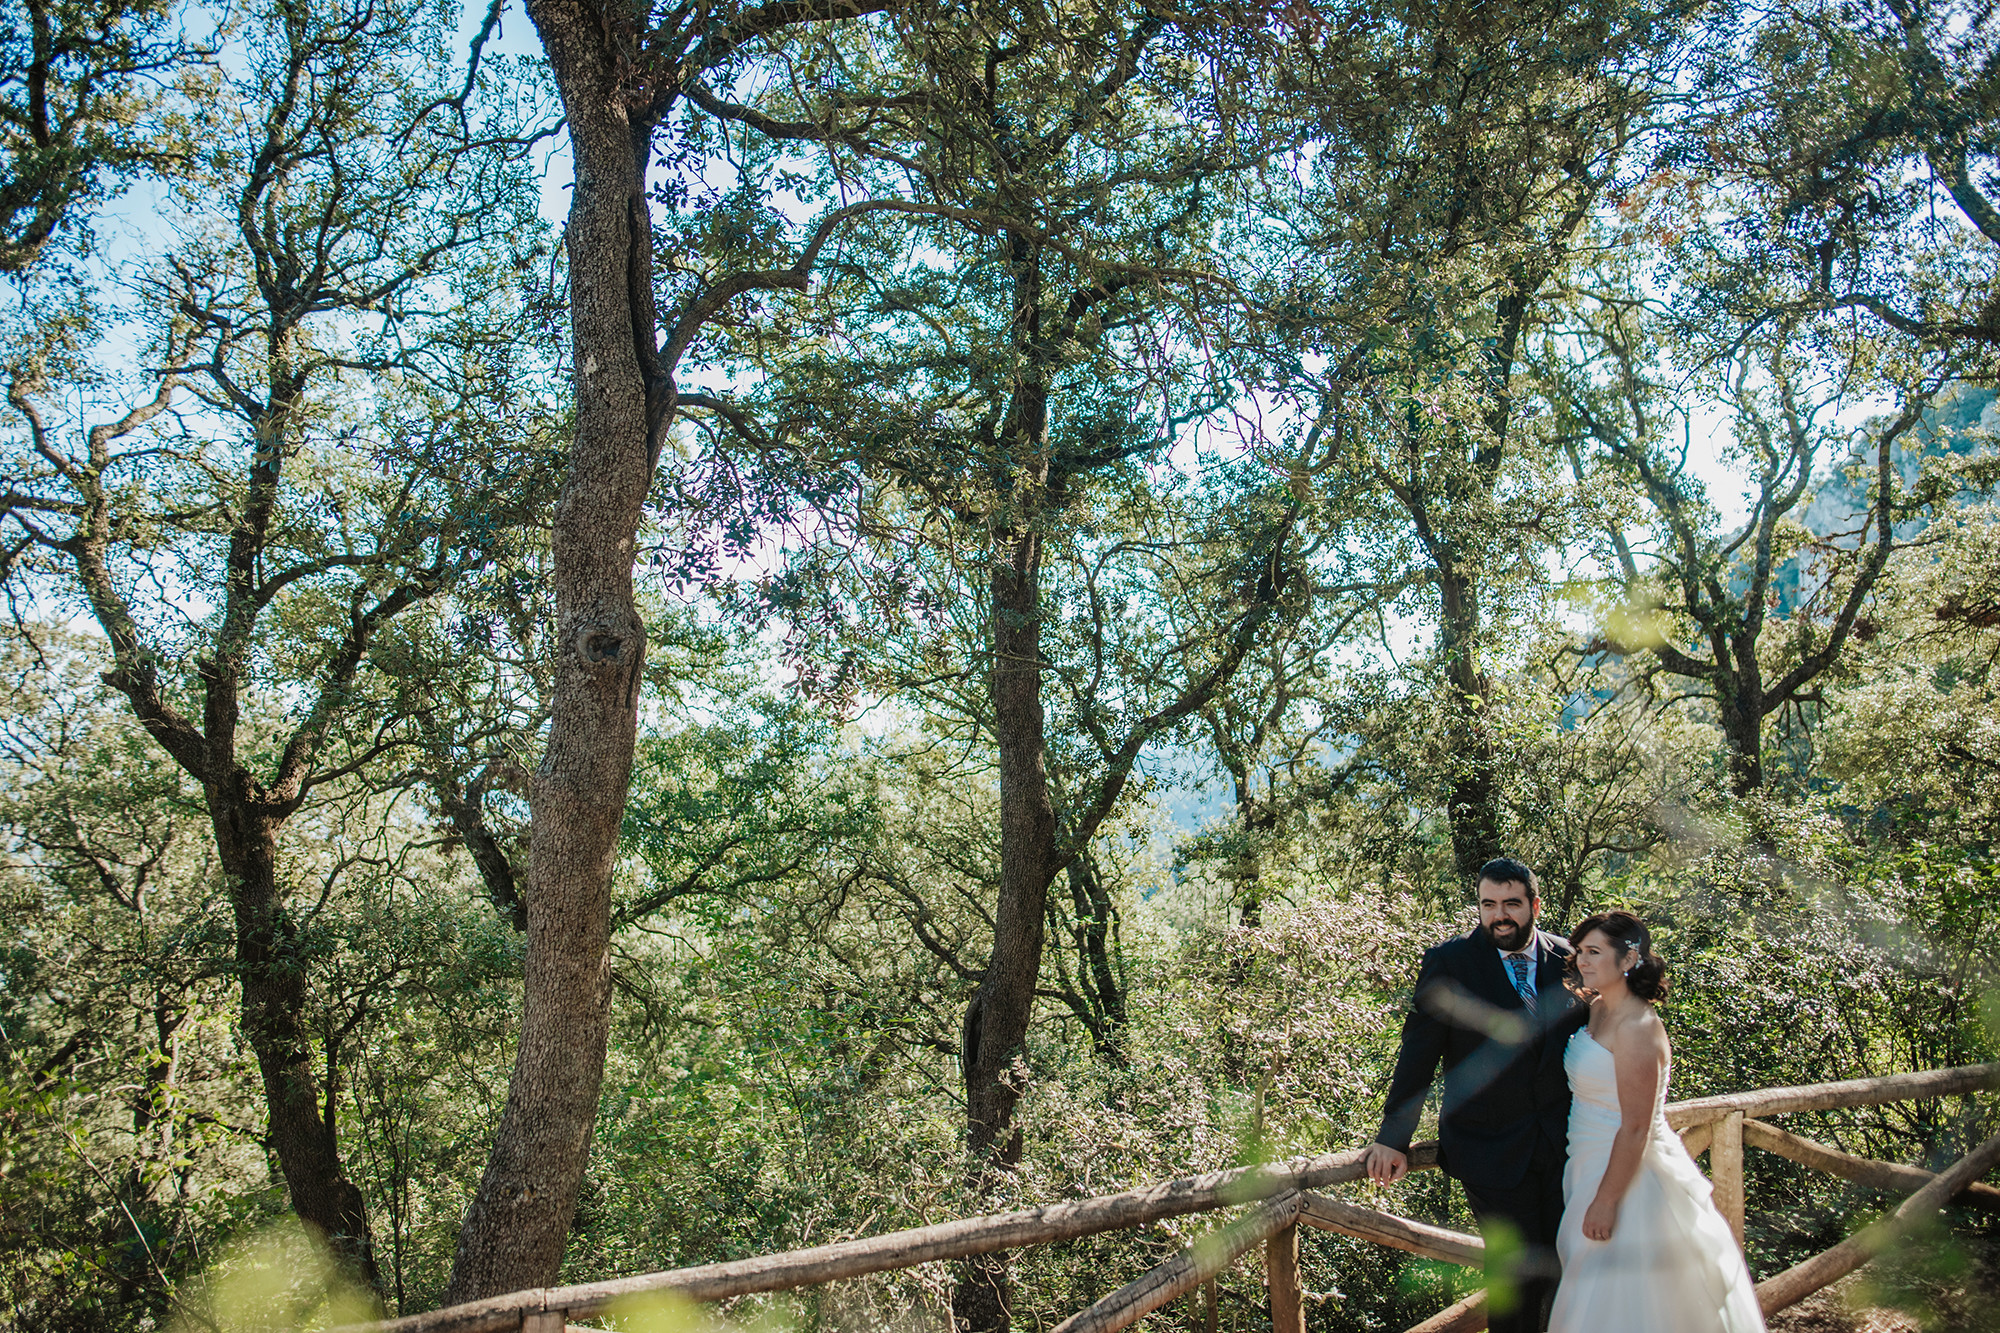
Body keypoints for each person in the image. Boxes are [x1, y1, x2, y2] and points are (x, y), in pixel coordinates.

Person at [1363, 858, 1586, 1333]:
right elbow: (1418, 1055)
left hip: (1566, 1149)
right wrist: (1393, 1136)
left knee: (1566, 1268)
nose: (1499, 915)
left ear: (1534, 905)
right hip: (1489, 1149)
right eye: (1488, 905)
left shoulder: (1572, 960)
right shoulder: (1450, 963)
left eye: (1511, 904)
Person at [1548, 912, 1766, 1332]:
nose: (1582, 962)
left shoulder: (1638, 1028)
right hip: (1586, 1160)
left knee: (1624, 1296)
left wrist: (1607, 1201)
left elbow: (1636, 1127)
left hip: (1630, 1175)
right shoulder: (1597, 1009)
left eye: (1595, 952)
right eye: (1580, 953)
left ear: (1628, 961)